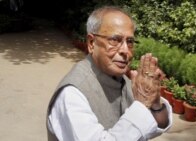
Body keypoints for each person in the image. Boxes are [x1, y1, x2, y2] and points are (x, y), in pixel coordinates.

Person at [46, 6, 172, 141]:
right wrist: (142, 104)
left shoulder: (125, 81)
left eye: (129, 42)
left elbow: (157, 126)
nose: (125, 50)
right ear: (91, 43)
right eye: (114, 40)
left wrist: (155, 102)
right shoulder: (72, 94)